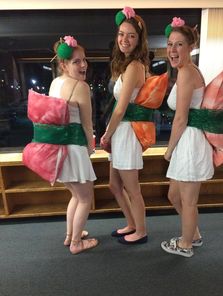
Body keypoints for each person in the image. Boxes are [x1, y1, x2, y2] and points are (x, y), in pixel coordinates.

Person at [160, 17, 214, 257]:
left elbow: (181, 118)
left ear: (191, 47)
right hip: (188, 141)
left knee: (188, 200)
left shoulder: (186, 73)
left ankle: (186, 244)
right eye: (170, 44)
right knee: (174, 195)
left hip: (189, 142)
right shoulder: (187, 71)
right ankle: (194, 234)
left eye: (179, 44)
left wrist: (169, 150)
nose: (172, 50)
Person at [100, 7, 150, 245]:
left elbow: (120, 109)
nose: (124, 39)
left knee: (132, 188)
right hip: (119, 131)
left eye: (131, 35)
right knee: (114, 185)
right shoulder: (126, 65)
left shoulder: (135, 66)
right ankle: (132, 223)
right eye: (121, 34)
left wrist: (106, 135)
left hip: (126, 132)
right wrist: (111, 134)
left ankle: (141, 231)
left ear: (139, 40)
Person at [48, 36, 98, 254]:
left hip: (57, 149)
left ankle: (71, 236)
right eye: (76, 61)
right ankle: (77, 243)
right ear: (64, 65)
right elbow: (87, 124)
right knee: (86, 197)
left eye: (84, 60)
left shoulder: (55, 83)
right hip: (75, 149)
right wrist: (91, 149)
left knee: (76, 196)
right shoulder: (80, 86)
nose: (83, 65)